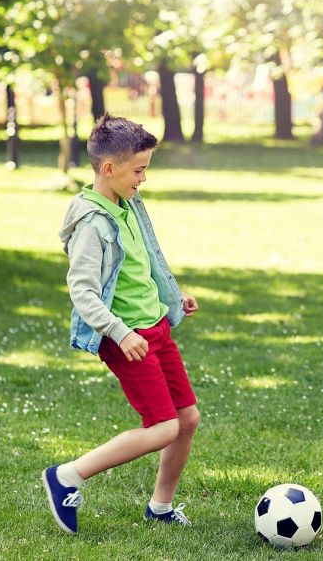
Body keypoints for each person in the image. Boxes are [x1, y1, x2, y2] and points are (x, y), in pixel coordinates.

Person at [43, 113, 201, 534]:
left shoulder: (127, 202)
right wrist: (120, 331)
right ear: (109, 169)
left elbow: (142, 260)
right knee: (164, 426)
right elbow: (83, 293)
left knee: (186, 420)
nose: (144, 178)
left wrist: (173, 295)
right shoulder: (91, 225)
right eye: (139, 169)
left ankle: (161, 507)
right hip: (127, 338)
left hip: (155, 330)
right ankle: (67, 476)